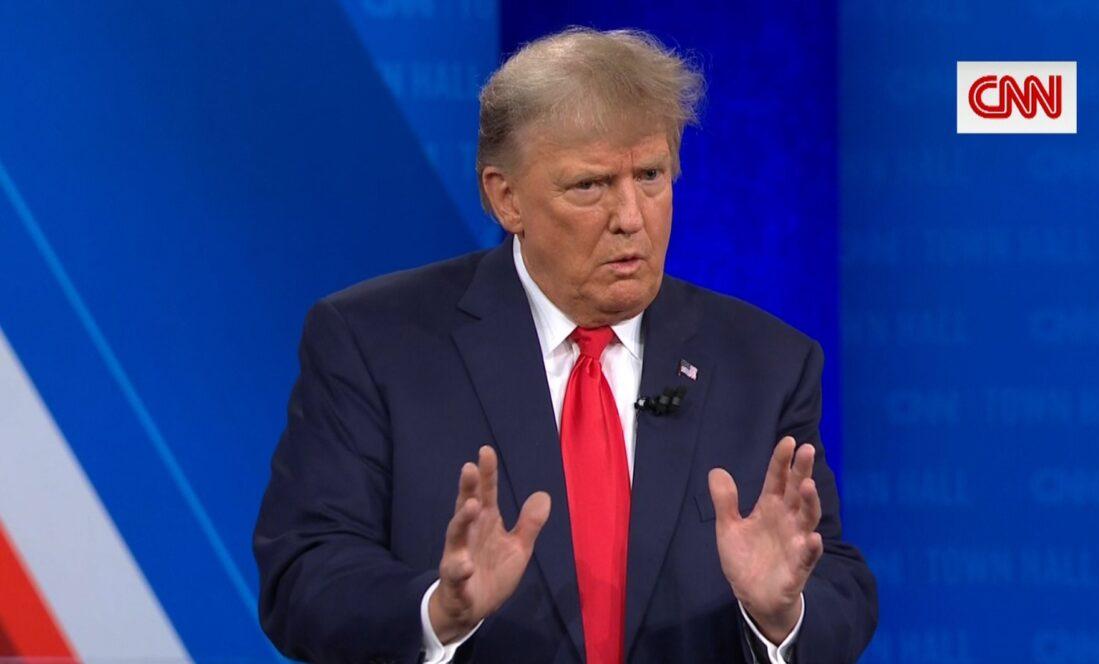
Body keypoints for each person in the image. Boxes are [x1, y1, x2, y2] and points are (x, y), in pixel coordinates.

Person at [253, 27, 877, 663]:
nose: (631, 216)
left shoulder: (767, 363)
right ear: (506, 197)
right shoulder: (372, 343)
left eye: (652, 175)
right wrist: (438, 611)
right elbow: (304, 573)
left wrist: (781, 616)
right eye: (590, 185)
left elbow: (840, 588)